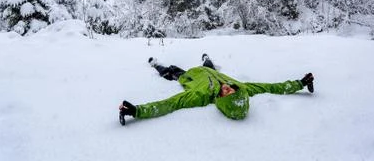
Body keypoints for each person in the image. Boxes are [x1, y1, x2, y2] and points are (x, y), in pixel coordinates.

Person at [119, 54, 314, 125]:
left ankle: (155, 64)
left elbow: (170, 104)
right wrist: (299, 83)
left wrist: (138, 111)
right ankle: (205, 58)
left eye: (226, 93)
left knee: (169, 71)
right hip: (207, 70)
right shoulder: (244, 88)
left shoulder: (200, 96)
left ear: (220, 100)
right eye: (233, 90)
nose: (228, 88)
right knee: (209, 63)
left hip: (189, 76)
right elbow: (272, 87)